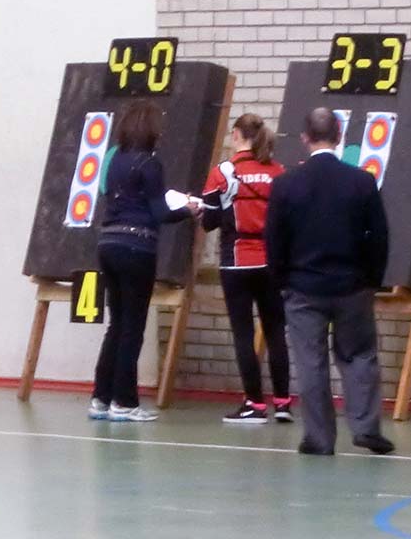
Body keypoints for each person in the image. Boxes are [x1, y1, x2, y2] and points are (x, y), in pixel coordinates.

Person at [265, 107, 394, 455]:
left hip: (303, 288)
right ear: (339, 136)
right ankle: (366, 428)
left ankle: (319, 439)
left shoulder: (285, 184)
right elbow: (379, 236)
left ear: (304, 138)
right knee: (360, 356)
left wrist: (281, 281)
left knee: (311, 362)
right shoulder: (362, 181)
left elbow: (274, 239)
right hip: (352, 286)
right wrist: (372, 280)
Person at [88, 100, 200, 422]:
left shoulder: (115, 160)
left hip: (108, 244)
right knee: (133, 327)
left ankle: (101, 397)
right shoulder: (150, 164)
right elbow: (160, 212)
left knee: (116, 324)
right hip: (137, 248)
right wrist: (188, 209)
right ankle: (124, 401)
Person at [201, 113, 292, 424]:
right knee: (276, 331)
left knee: (243, 333)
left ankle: (255, 403)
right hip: (271, 263)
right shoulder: (279, 172)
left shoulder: (222, 173)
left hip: (236, 263)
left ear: (237, 135)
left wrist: (198, 209)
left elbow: (210, 221)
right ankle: (283, 403)